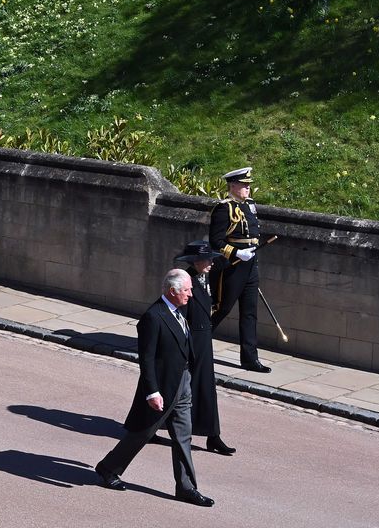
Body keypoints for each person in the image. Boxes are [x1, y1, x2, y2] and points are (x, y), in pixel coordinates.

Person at [95, 269, 214, 507]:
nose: (191, 294)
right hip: (161, 388)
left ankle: (186, 487)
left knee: (183, 437)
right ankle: (108, 468)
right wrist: (152, 392)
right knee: (143, 433)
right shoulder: (154, 316)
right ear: (172, 291)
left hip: (183, 384)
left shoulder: (180, 312)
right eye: (187, 290)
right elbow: (146, 359)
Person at [175, 240, 236, 456]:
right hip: (191, 340)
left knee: (206, 388)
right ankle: (149, 425)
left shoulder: (204, 276)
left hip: (203, 340)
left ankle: (213, 435)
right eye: (208, 259)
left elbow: (226, 265)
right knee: (174, 386)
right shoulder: (186, 280)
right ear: (196, 261)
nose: (212, 262)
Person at [209, 167, 269, 373]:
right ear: (232, 186)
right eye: (244, 185)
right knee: (221, 308)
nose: (247, 188)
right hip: (232, 266)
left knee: (250, 313)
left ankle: (250, 359)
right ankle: (193, 345)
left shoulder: (250, 205)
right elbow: (215, 241)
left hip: (250, 264)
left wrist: (250, 253)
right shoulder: (223, 208)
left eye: (248, 185)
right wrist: (236, 253)